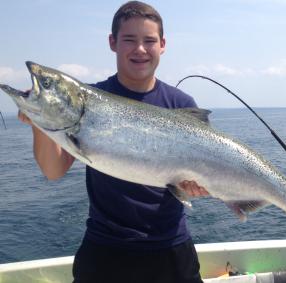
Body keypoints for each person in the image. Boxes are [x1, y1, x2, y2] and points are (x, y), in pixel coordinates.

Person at [19, 1, 209, 282]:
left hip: (170, 249)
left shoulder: (180, 105)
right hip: (105, 250)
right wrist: (38, 122)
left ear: (162, 44)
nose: (140, 49)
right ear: (113, 42)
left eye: (149, 40)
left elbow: (199, 174)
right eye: (129, 40)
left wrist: (198, 185)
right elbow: (53, 170)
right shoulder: (90, 99)